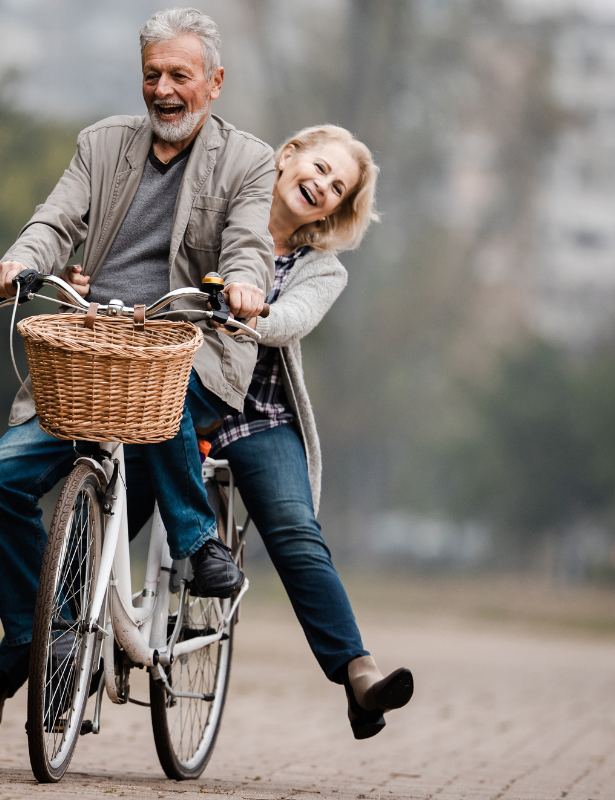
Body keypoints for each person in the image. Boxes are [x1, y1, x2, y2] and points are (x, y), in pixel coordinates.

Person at [0, 8, 275, 745]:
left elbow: (247, 246)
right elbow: (56, 218)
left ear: (215, 82)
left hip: (191, 348)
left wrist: (240, 285)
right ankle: (34, 640)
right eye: (152, 75)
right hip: (96, 352)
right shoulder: (102, 144)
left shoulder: (249, 161)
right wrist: (20, 261)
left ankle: (198, 542)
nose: (164, 90)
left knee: (166, 387)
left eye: (179, 75)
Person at [192, 124, 414, 739]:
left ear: (339, 209)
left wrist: (253, 309)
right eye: (318, 168)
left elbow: (292, 319)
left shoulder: (323, 271)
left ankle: (360, 676)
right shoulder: (218, 218)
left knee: (295, 529)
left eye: (337, 188)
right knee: (114, 505)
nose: (321, 186)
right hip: (182, 396)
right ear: (288, 157)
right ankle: (11, 669)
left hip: (261, 417)